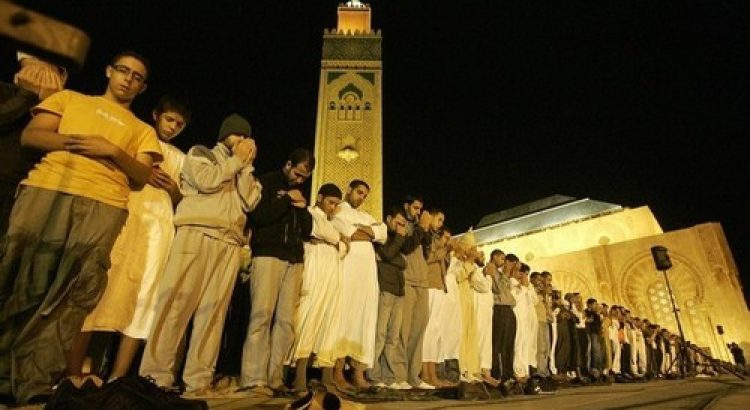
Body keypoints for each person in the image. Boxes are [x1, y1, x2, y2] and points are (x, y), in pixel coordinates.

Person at [0, 50, 161, 404]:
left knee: (73, 292)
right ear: (108, 71)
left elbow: (141, 175)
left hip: (105, 202)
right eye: (123, 70)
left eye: (136, 77)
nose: (128, 79)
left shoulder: (142, 130)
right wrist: (84, 144)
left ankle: (33, 382)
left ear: (143, 87)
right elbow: (33, 135)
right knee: (20, 275)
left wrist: (112, 150)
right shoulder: (70, 99)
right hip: (48, 187)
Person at [70, 95, 191, 381]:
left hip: (159, 227)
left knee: (144, 295)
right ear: (156, 115)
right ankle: (73, 373)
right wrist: (142, 172)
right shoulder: (136, 135)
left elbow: (183, 199)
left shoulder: (182, 158)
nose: (172, 127)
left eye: (179, 124)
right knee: (100, 286)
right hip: (127, 214)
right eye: (169, 119)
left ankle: (118, 377)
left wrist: (172, 188)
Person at [139, 113, 261, 396]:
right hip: (196, 233)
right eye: (238, 135)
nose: (243, 141)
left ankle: (198, 380)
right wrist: (236, 161)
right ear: (225, 136)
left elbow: (251, 201)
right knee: (176, 305)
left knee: (213, 314)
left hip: (229, 243)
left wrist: (245, 168)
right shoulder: (201, 153)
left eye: (247, 137)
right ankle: (155, 376)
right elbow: (207, 181)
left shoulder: (243, 169)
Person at [240, 148, 315, 396]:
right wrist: (286, 199)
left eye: (304, 177)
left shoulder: (299, 192)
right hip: (268, 255)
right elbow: (260, 215)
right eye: (298, 173)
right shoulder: (268, 181)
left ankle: (275, 378)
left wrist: (302, 207)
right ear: (288, 164)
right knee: (261, 315)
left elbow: (307, 231)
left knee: (286, 322)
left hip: (294, 260)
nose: (299, 179)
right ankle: (254, 378)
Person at [289, 183, 349, 394]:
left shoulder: (331, 222)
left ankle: (327, 377)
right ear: (320, 197)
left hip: (332, 273)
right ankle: (299, 378)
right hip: (315, 271)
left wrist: (337, 240)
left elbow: (344, 247)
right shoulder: (310, 214)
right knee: (308, 318)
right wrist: (337, 239)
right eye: (330, 202)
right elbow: (316, 230)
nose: (332, 207)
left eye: (336, 204)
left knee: (330, 321)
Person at [0, 52, 67, 235]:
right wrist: (25, 96)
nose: (40, 75)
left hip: (28, 192)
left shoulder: (62, 110)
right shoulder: (5, 91)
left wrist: (51, 103)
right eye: (35, 66)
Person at [330, 180, 387, 389]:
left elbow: (383, 233)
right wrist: (370, 233)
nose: (361, 197)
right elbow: (350, 233)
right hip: (349, 272)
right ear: (349, 190)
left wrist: (364, 230)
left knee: (365, 319)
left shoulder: (365, 216)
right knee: (345, 317)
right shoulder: (339, 211)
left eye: (364, 195)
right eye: (359, 192)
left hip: (367, 275)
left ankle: (358, 373)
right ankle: (338, 371)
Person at [369, 206, 410, 390]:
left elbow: (400, 260)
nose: (401, 227)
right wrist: (396, 249)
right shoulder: (381, 233)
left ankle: (389, 376)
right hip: (385, 287)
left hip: (399, 291)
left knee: (393, 337)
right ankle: (374, 375)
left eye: (403, 224)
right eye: (398, 222)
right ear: (388, 219)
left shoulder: (397, 240)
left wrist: (394, 254)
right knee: (379, 334)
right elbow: (386, 253)